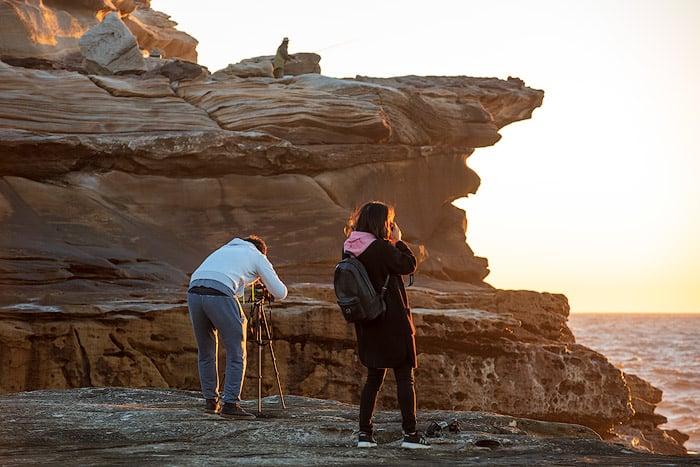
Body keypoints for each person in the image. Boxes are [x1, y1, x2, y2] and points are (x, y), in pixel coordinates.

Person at [343, 201, 430, 449]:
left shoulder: (349, 248)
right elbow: (408, 264)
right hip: (392, 321)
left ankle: (364, 435)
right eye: (390, 221)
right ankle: (410, 435)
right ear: (383, 223)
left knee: (373, 378)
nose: (392, 226)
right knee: (404, 376)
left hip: (368, 321)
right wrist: (399, 241)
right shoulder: (381, 248)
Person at [187, 235, 287, 418]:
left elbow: (227, 277)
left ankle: (211, 401)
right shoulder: (257, 256)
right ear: (260, 249)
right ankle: (231, 404)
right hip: (219, 293)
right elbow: (280, 292)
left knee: (206, 350)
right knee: (236, 351)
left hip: (194, 291)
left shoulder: (224, 250)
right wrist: (261, 277)